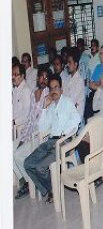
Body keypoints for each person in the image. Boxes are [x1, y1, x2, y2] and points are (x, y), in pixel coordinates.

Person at [24, 74, 81, 203]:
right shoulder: (50, 107)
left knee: (40, 167)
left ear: (61, 89)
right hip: (50, 142)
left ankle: (53, 191)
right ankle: (49, 189)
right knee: (27, 164)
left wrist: (63, 134)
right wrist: (44, 107)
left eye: (56, 87)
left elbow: (76, 120)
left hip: (63, 142)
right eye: (51, 88)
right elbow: (42, 128)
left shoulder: (67, 102)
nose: (54, 91)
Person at [14, 67, 50, 199]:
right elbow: (29, 118)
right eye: (41, 76)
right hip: (28, 134)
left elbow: (42, 122)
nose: (43, 79)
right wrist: (22, 138)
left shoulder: (48, 95)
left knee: (17, 155)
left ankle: (30, 184)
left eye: (46, 77)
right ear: (38, 78)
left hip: (39, 137)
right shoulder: (33, 92)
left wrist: (26, 139)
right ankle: (25, 179)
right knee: (9, 150)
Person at [63, 49, 86, 120]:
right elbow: (63, 97)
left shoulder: (79, 80)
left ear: (76, 64)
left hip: (76, 117)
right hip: (66, 113)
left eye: (70, 63)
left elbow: (72, 101)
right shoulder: (66, 79)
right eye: (67, 63)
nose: (67, 65)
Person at [12, 63, 32, 132]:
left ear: (22, 76)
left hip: (22, 127)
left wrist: (14, 122)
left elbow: (27, 114)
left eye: (15, 74)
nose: (13, 77)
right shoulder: (15, 89)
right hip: (14, 125)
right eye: (12, 74)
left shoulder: (25, 90)